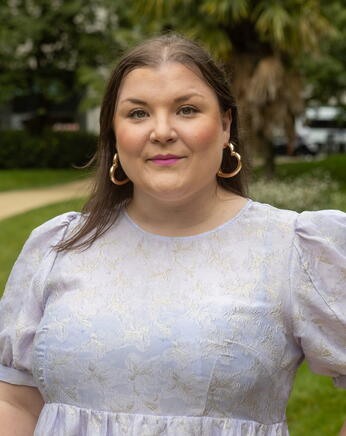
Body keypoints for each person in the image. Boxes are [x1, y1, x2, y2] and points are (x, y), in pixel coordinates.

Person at [0, 33, 345, 436]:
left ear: (225, 125)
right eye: (138, 114)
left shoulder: (294, 248)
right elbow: (15, 399)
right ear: (114, 132)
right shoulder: (58, 246)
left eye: (186, 109)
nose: (161, 131)